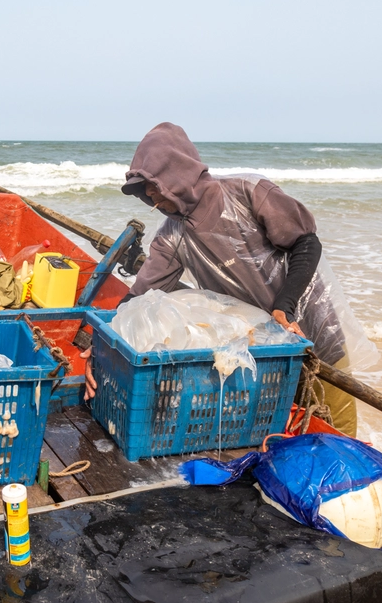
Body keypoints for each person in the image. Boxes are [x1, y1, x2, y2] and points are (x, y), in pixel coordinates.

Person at [83, 122, 367, 437]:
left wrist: (284, 304)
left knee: (337, 434)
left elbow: (306, 242)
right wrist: (104, 342)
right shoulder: (171, 238)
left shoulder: (249, 193)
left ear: (177, 173)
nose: (149, 197)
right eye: (143, 192)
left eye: (152, 186)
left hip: (312, 333)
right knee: (278, 435)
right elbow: (138, 297)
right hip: (262, 353)